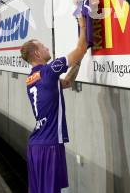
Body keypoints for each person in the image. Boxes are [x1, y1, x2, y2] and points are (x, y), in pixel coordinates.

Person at [21, 15, 87, 193]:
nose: (47, 48)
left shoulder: (31, 78)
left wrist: (78, 62)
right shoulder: (48, 71)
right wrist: (82, 23)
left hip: (37, 146)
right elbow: (81, 48)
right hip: (48, 147)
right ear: (36, 53)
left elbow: (66, 83)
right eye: (43, 46)